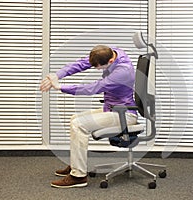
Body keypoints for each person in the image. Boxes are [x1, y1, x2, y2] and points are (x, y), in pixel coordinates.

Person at [40, 45, 137, 188]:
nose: (97, 70)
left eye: (99, 67)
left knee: (79, 124)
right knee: (74, 119)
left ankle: (78, 176)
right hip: (112, 109)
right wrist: (58, 74)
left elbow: (94, 88)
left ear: (110, 61)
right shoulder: (110, 51)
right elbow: (81, 64)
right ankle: (76, 165)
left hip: (124, 114)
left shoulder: (122, 71)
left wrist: (61, 87)